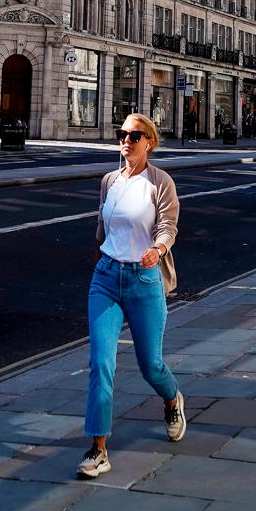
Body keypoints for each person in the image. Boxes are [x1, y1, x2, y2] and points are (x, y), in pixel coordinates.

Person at [77, 113, 184, 479]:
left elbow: (168, 224)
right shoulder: (109, 181)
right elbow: (101, 226)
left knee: (149, 365)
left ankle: (172, 399)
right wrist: (100, 257)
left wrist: (158, 249)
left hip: (144, 281)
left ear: (149, 142)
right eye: (121, 134)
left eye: (134, 135)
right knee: (100, 363)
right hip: (106, 278)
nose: (125, 140)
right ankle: (98, 448)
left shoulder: (160, 182)